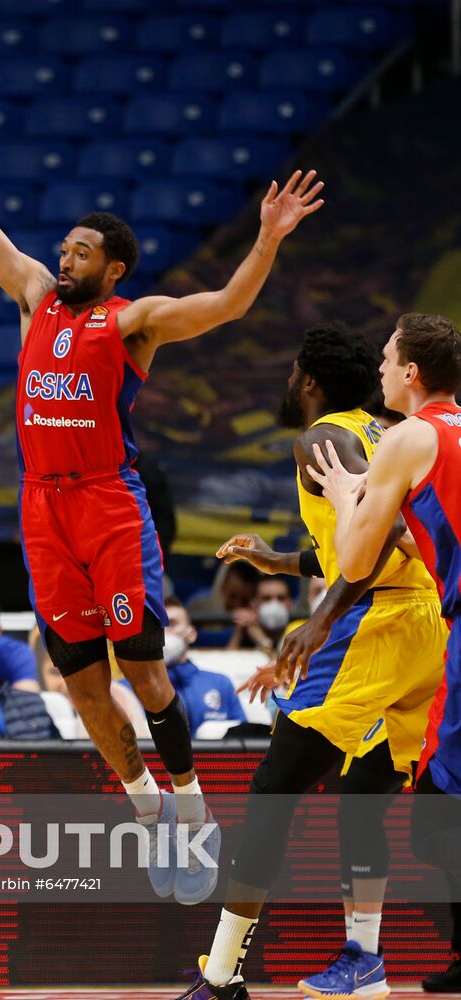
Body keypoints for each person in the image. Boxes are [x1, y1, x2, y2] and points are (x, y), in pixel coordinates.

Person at [0, 77, 323, 905]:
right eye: (64, 247)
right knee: (79, 683)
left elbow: (223, 305)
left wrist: (265, 239)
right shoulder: (34, 295)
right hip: (42, 507)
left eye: (80, 251)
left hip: (109, 503)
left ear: (111, 267)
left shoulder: (132, 319)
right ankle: (149, 812)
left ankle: (191, 804)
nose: (64, 256)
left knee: (145, 677)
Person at [177, 320, 447, 1000]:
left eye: (291, 370)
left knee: (273, 790)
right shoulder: (385, 432)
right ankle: (364, 960)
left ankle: (219, 976)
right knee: (361, 802)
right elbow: (374, 535)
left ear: (307, 380)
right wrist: (281, 560)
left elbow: (378, 533)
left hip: (374, 623)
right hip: (427, 625)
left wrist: (318, 621)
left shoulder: (321, 437)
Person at [308, 313, 461, 881]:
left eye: (388, 357)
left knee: (433, 831)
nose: (380, 367)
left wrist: (347, 494)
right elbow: (430, 542)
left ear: (412, 373)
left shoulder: (405, 437)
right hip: (447, 622)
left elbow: (353, 561)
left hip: (452, 627)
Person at [157, 599, 244, 734]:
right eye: (158, 626)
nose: (164, 632)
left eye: (171, 624)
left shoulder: (221, 684)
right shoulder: (134, 687)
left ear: (191, 634)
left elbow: (243, 736)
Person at [227, 576, 295, 654]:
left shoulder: (299, 634)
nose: (274, 604)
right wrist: (239, 634)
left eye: (281, 598)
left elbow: (281, 664)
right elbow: (226, 663)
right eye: (266, 599)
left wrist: (261, 639)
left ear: (290, 603)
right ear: (254, 604)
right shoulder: (246, 632)